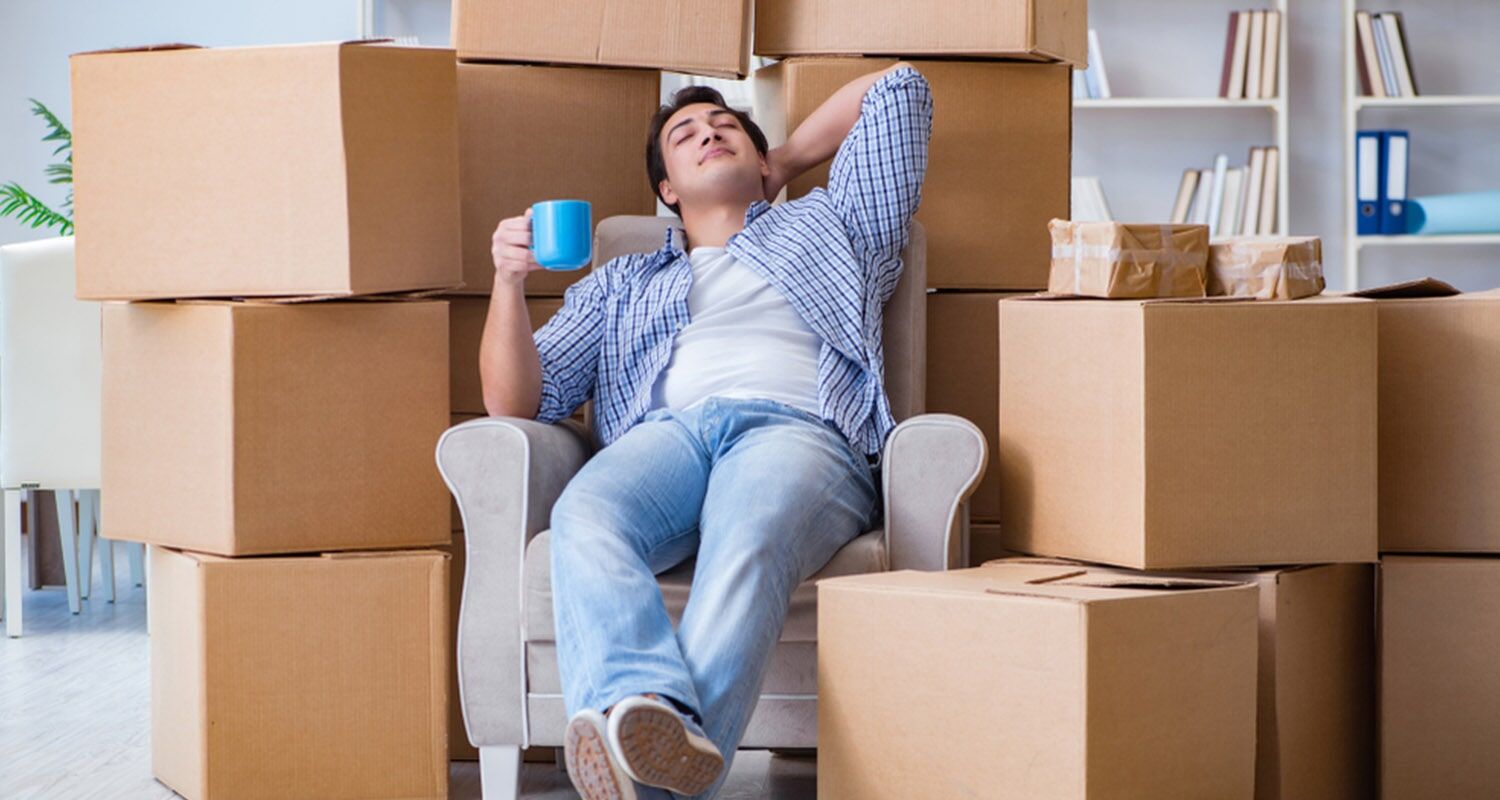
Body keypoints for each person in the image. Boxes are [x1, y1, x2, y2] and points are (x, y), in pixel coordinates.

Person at [478, 61, 932, 800]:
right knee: (583, 516)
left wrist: (777, 163)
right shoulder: (622, 280)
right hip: (668, 435)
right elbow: (515, 404)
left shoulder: (835, 223)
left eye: (727, 126)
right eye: (685, 134)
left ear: (759, 157)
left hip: (798, 432)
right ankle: (647, 707)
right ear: (666, 189)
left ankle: (652, 782)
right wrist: (507, 283)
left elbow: (901, 88)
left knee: (747, 531)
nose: (710, 132)